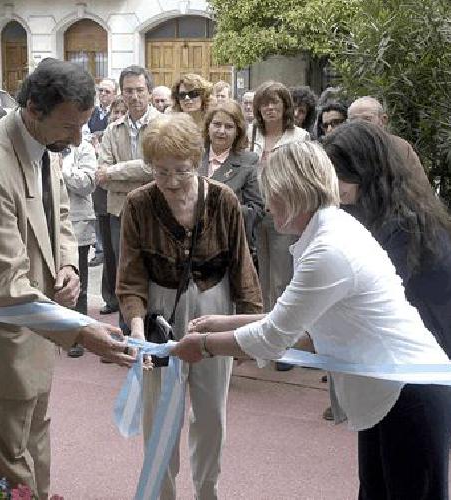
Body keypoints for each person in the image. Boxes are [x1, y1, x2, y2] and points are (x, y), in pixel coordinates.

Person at [174, 140, 451, 500]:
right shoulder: (327, 232)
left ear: (295, 192)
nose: (267, 204)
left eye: (272, 194)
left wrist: (203, 345)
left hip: (410, 392)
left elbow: (275, 336)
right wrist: (221, 323)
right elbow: (301, 323)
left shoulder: (328, 249)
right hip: (394, 390)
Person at [0, 58, 136, 498]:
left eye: (84, 125)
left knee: (36, 435)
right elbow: (6, 287)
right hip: (2, 334)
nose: (79, 138)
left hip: (38, 325)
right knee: (10, 458)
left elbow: (60, 210)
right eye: (70, 127)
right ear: (32, 109)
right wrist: (84, 330)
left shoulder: (42, 142)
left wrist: (66, 263)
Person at [117, 113, 262, 500]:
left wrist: (250, 331)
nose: (170, 182)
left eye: (180, 170)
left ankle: (207, 491)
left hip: (214, 311)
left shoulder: (223, 199)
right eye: (160, 172)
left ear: (197, 160)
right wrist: (134, 326)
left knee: (211, 415)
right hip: (158, 316)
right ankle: (163, 494)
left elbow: (242, 267)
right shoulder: (139, 203)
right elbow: (130, 276)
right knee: (160, 418)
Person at [321, 119, 451, 420]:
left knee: (416, 450)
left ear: (365, 170)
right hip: (414, 352)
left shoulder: (405, 221)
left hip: (438, 350)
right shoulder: (375, 206)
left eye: (339, 174)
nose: (333, 184)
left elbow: (371, 293)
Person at [249, 81, 309, 371]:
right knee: (261, 281)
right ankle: (266, 339)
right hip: (254, 213)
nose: (269, 108)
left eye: (275, 102)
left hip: (285, 214)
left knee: (283, 279)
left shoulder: (300, 137)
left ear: (286, 106)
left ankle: (285, 343)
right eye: (264, 103)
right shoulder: (251, 135)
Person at [96, 65, 162, 317]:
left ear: (149, 91)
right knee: (125, 274)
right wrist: (137, 173)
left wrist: (116, 172)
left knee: (153, 272)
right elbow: (101, 175)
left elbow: (156, 168)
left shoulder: (163, 126)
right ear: (121, 94)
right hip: (119, 212)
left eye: (139, 90)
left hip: (156, 211)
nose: (134, 96)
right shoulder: (113, 130)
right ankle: (127, 335)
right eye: (128, 91)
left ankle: (154, 334)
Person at [201, 100, 263, 262]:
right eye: (217, 124)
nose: (221, 131)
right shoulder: (192, 157)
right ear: (208, 127)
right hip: (193, 247)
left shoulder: (248, 162)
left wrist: (220, 207)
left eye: (229, 127)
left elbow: (256, 210)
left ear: (238, 131)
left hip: (230, 249)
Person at [59, 136, 99, 358]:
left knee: (78, 280)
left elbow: (87, 184)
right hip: (48, 221)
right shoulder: (43, 146)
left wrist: (62, 170)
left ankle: (77, 334)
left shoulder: (83, 148)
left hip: (77, 221)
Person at [348, 96, 426, 178]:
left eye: (367, 119)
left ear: (383, 120)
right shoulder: (341, 148)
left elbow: (417, 185)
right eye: (354, 120)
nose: (360, 125)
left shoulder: (400, 148)